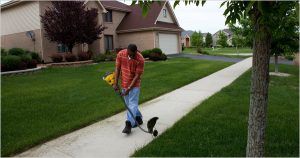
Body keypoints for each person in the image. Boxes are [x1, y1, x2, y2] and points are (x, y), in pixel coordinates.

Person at [113, 44, 145, 134]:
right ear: (127, 51)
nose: (131, 56)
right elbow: (118, 68)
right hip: (124, 83)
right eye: (130, 54)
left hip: (135, 84)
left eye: (133, 55)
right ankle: (138, 117)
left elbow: (137, 75)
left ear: (136, 52)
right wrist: (115, 83)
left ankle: (129, 124)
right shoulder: (121, 54)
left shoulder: (140, 59)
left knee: (133, 103)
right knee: (129, 104)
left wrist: (129, 88)